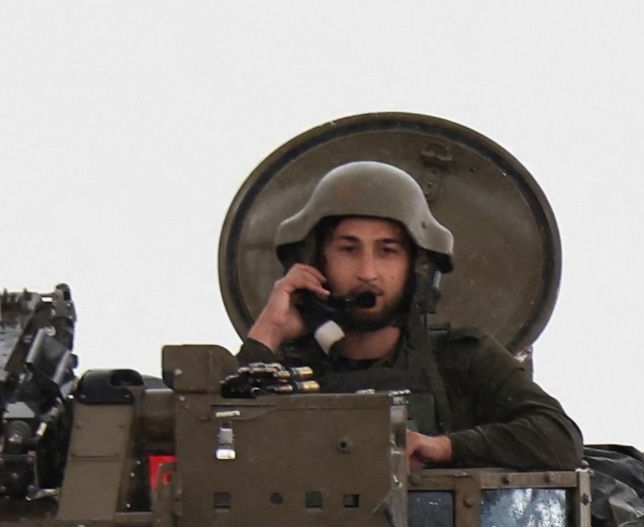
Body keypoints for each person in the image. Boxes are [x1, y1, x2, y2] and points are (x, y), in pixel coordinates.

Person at [240, 160, 580, 470]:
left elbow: (558, 439)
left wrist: (445, 447)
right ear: (317, 260)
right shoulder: (280, 372)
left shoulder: (459, 358)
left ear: (416, 266)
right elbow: (211, 448)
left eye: (387, 251)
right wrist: (267, 334)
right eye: (348, 249)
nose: (368, 272)